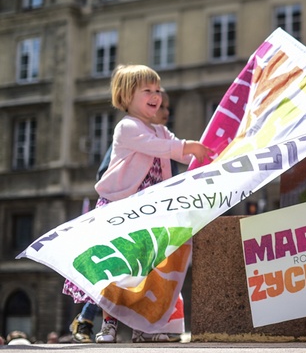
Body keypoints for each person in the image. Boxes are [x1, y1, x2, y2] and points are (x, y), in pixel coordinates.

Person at [63, 64, 213, 343]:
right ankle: (108, 326)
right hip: (122, 208)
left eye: (157, 90)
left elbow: (177, 151)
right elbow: (163, 149)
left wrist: (205, 158)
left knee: (148, 271)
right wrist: (189, 146)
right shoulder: (127, 127)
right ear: (126, 96)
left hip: (152, 211)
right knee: (120, 272)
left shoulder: (161, 130)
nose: (156, 95)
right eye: (148, 90)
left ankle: (146, 328)